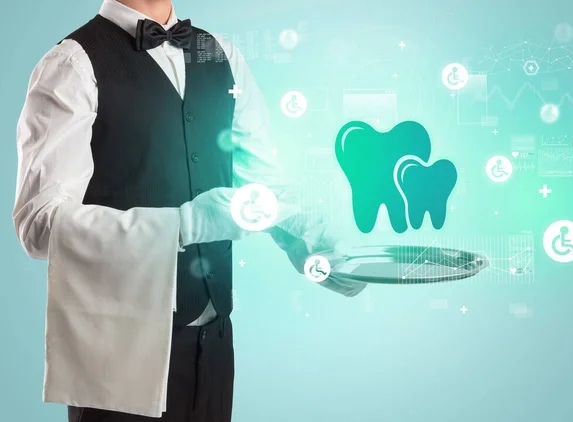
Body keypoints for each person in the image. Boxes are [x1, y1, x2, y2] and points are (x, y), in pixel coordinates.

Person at [13, 0, 366, 421]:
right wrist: (182, 225)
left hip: (214, 345)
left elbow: (264, 183)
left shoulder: (222, 53)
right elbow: (39, 225)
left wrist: (312, 244)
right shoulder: (71, 63)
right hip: (120, 353)